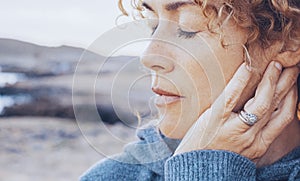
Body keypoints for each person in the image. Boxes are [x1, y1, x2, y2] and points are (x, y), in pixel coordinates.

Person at [80, 0, 300, 180]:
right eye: (154, 25)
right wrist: (205, 165)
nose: (148, 57)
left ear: (291, 41)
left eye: (187, 28)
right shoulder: (110, 176)